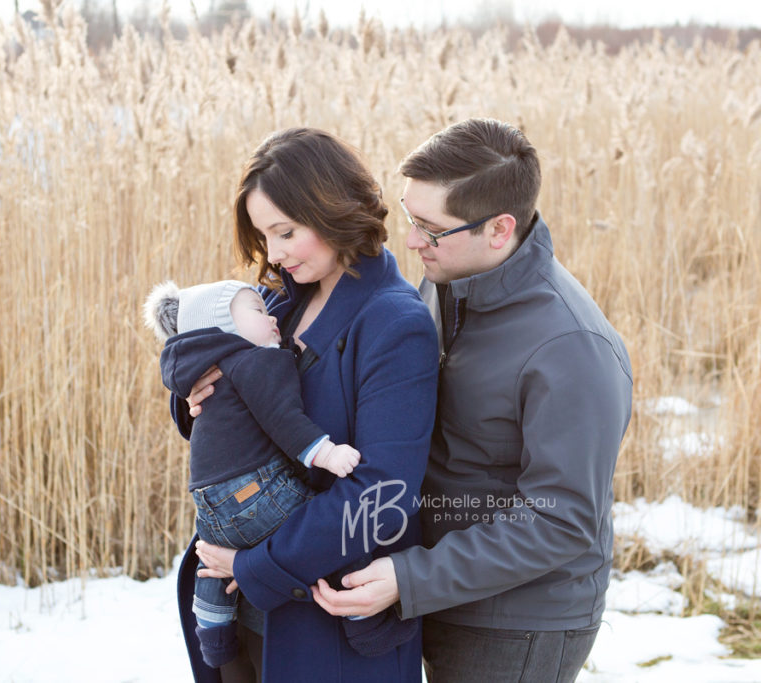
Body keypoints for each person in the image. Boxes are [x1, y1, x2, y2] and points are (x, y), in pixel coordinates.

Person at [309, 117, 634, 683]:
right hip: (435, 589)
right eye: (411, 218)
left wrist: (413, 578)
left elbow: (562, 520)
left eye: (431, 229)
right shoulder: (446, 280)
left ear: (499, 229)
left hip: (519, 622)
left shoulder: (571, 348)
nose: (412, 242)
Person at [174, 127, 439, 682]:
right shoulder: (277, 302)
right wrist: (194, 399)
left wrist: (256, 565)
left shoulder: (395, 321)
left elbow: (382, 493)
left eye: (286, 232)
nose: (273, 254)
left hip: (327, 628)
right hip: (243, 614)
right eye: (264, 236)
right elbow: (235, 397)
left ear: (332, 209)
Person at [143, 279, 416, 667]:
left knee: (214, 566)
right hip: (254, 494)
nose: (269, 315)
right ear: (225, 328)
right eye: (257, 311)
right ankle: (366, 622)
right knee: (333, 532)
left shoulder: (209, 361)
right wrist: (326, 453)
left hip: (209, 506)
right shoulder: (254, 358)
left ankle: (215, 635)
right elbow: (284, 419)